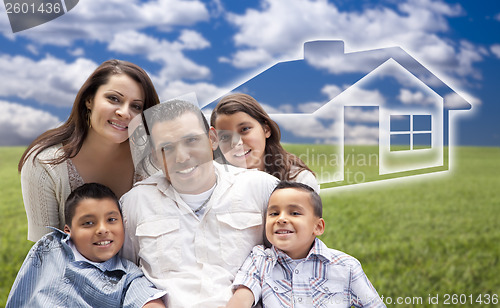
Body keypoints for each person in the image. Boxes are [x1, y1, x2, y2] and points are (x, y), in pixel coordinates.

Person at [120, 100, 279, 308]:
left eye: (191, 140)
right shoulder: (135, 203)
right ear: (155, 157)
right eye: (166, 148)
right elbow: (124, 273)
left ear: (212, 139)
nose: (182, 157)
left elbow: (293, 260)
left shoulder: (261, 188)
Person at [18, 59, 160, 242]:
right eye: (114, 99)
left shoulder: (154, 158)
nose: (125, 113)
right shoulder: (44, 165)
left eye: (136, 106)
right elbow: (45, 254)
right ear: (89, 100)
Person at [226, 181, 386, 308]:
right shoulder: (260, 260)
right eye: (274, 213)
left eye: (294, 213)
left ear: (318, 227)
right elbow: (242, 298)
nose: (281, 219)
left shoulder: (346, 267)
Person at [6, 183, 166, 308]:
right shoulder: (49, 246)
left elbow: (146, 298)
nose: (103, 229)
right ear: (69, 231)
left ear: (123, 224)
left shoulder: (127, 276)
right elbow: (22, 289)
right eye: (88, 223)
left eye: (111, 220)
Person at [210, 93, 319, 193]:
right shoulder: (214, 182)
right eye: (225, 137)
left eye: (244, 129)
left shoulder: (298, 180)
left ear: (266, 129)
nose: (236, 143)